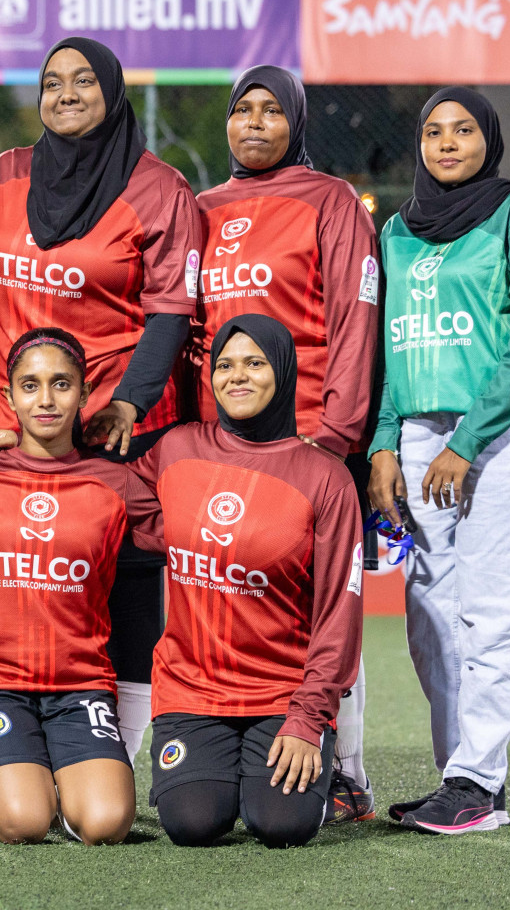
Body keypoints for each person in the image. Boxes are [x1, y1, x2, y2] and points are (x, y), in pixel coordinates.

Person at [0, 37, 203, 763]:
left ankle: (122, 760)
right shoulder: (4, 175)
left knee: (127, 585)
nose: (65, 93)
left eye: (82, 81)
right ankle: (6, 752)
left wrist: (130, 403)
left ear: (112, 92)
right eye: (51, 82)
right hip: (22, 428)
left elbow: (173, 310)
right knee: (27, 584)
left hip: (112, 425)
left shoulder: (157, 187)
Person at [369, 88, 510, 834]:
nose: (447, 143)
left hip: (503, 435)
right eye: (433, 131)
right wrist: (385, 441)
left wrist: (467, 441)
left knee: (493, 612)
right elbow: (389, 343)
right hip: (417, 434)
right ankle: (464, 780)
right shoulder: (397, 230)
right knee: (429, 615)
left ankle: (477, 779)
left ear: (490, 139)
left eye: (464, 129)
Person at [194, 65, 381, 823]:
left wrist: (334, 437)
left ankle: (346, 768)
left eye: (274, 111)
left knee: (328, 602)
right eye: (244, 110)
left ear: (296, 122)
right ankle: (233, 752)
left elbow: (354, 321)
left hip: (308, 440)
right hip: (221, 449)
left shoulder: (331, 201)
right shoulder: (201, 207)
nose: (256, 123)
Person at [130, 314, 363, 848]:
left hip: (282, 693)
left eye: (255, 363)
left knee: (282, 825)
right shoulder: (177, 448)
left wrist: (309, 718)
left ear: (282, 371)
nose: (238, 376)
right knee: (193, 825)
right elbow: (112, 498)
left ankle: (317, 776)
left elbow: (338, 613)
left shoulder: (324, 475)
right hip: (191, 689)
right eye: (226, 365)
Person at [0, 328, 158, 844]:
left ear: (86, 395)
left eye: (62, 384)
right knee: (25, 824)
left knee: (105, 827)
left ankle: (34, 766)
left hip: (79, 682)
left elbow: (187, 534)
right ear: (8, 396)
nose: (45, 400)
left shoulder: (116, 482)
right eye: (31, 385)